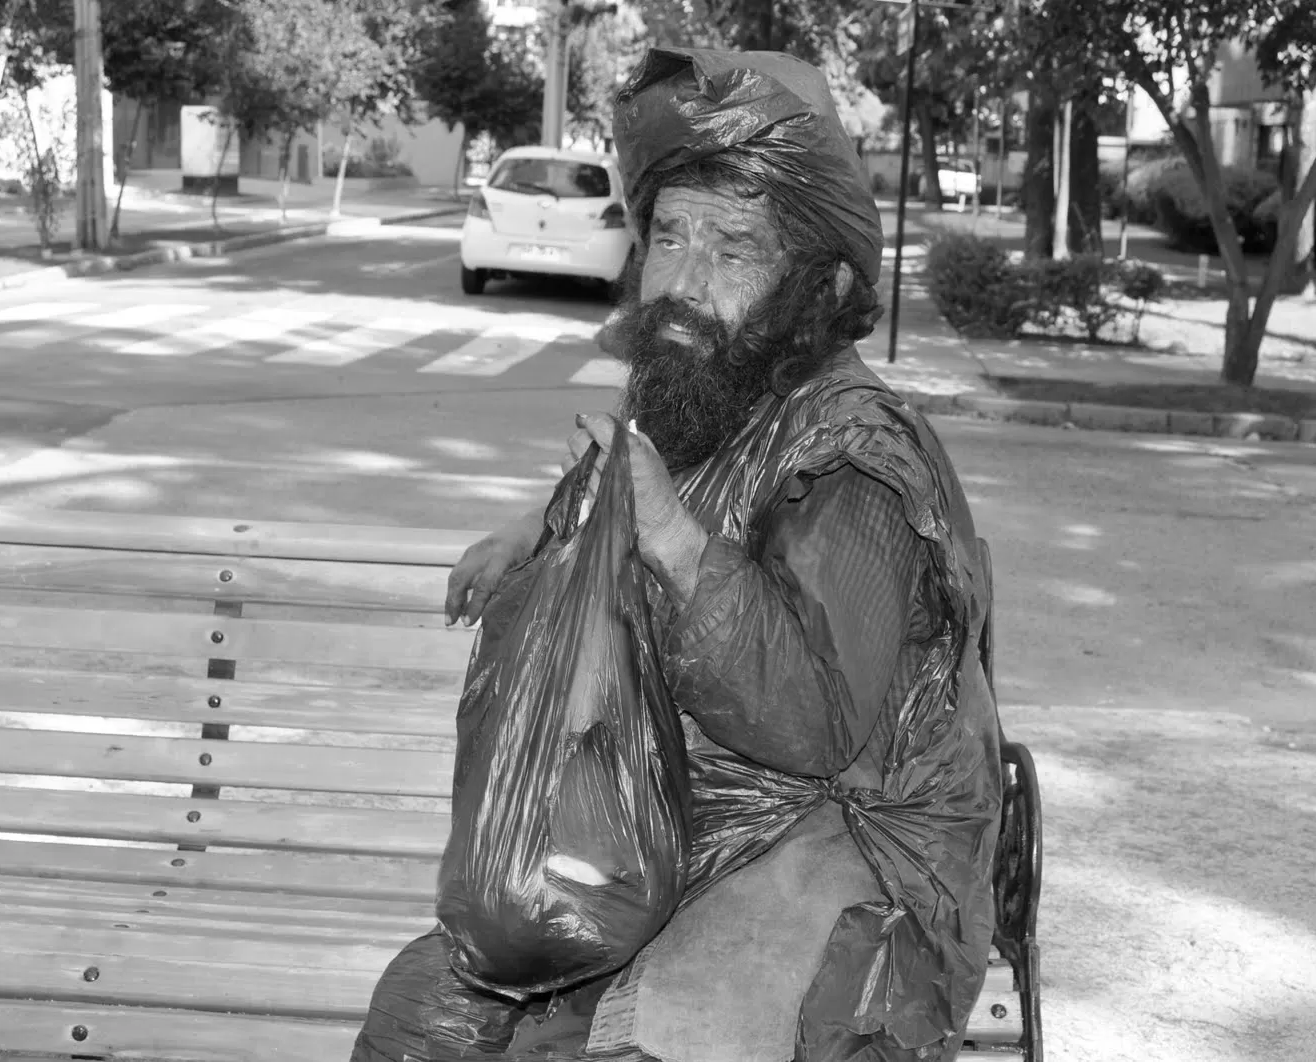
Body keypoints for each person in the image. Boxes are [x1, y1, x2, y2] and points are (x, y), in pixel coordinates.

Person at [351, 46, 1006, 1062]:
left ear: (817, 281)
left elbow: (813, 719)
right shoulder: (705, 378)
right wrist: (535, 529)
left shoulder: (857, 455)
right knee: (424, 1012)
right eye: (670, 235)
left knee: (601, 1045)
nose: (685, 283)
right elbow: (620, 481)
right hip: (675, 818)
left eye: (733, 248)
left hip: (843, 852)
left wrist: (672, 539)